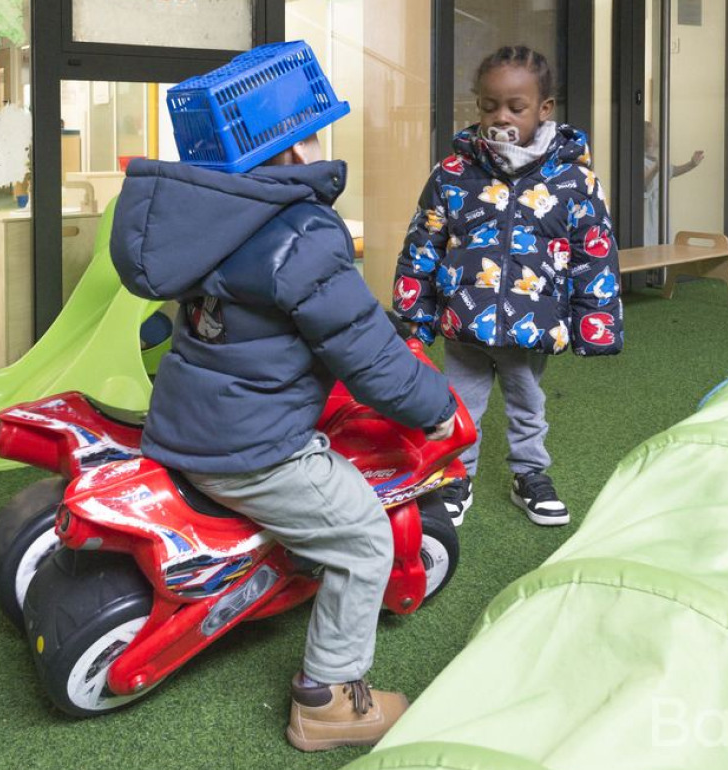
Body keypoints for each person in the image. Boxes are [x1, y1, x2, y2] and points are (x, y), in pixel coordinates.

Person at [110, 44, 456, 752]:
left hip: (183, 423)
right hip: (252, 449)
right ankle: (329, 699)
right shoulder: (302, 232)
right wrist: (436, 405)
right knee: (362, 538)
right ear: (297, 146)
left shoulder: (206, 217)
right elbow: (367, 357)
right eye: (318, 128)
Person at [393, 46, 623, 528]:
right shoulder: (453, 174)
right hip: (465, 317)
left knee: (527, 404)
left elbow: (594, 253)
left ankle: (530, 474)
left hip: (532, 320)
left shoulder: (574, 181)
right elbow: (423, 243)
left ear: (544, 109)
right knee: (459, 405)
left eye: (515, 108)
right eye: (488, 106)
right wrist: (414, 313)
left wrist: (593, 323)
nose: (500, 117)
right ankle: (455, 477)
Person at [643, 120, 704, 245]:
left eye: (653, 142)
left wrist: (691, 164)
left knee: (662, 245)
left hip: (659, 216)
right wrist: (655, 169)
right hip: (646, 218)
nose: (651, 144)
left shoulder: (657, 161)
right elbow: (643, 183)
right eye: (648, 143)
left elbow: (673, 171)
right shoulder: (640, 161)